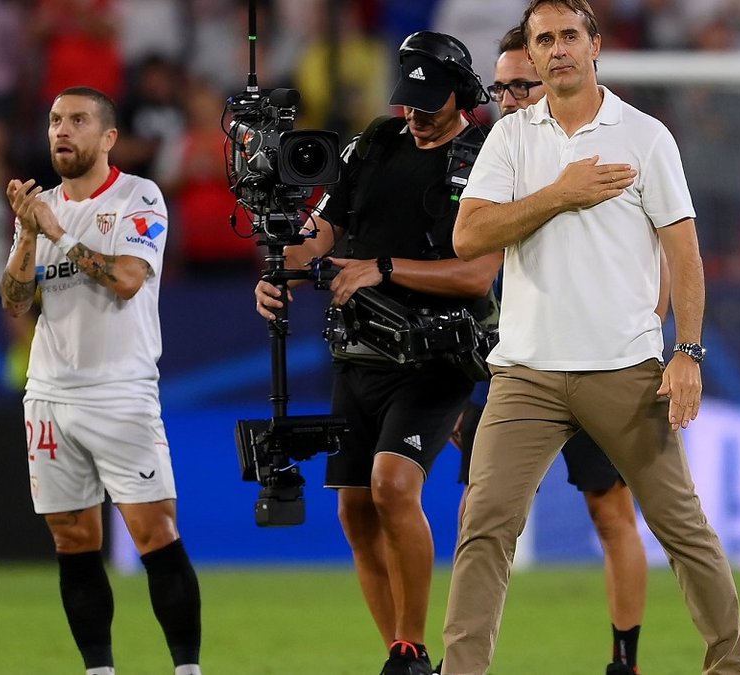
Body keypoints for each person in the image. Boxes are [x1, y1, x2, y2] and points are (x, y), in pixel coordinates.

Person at [440, 1, 740, 674]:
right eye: (543, 39)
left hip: (624, 370)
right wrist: (561, 193)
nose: (557, 49)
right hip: (525, 375)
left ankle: (730, 669)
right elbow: (468, 236)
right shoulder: (510, 138)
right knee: (483, 527)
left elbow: (684, 253)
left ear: (595, 44)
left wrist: (688, 352)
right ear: (531, 52)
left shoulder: (645, 136)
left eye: (568, 36)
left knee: (683, 530)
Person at [253, 31, 503, 675]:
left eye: (429, 103)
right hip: (360, 351)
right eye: (407, 100)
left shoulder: (486, 157)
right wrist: (280, 271)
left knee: (393, 486)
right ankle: (399, 653)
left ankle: (412, 646)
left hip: (437, 357)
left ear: (462, 96)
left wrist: (381, 267)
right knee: (355, 508)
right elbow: (322, 230)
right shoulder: (375, 143)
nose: (414, 114)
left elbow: (478, 276)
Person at [452, 25, 653, 675]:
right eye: (500, 87)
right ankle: (463, 660)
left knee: (610, 509)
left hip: (596, 357)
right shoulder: (489, 158)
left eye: (522, 85)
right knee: (479, 513)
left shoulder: (605, 158)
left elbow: (659, 253)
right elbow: (469, 267)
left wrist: (649, 339)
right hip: (513, 363)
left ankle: (624, 660)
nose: (509, 98)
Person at [0, 86, 202, 675]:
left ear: (109, 137)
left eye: (78, 120)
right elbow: (15, 303)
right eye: (55, 120)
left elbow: (128, 279)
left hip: (120, 391)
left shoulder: (140, 196)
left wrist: (58, 234)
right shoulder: (39, 209)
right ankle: (99, 670)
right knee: (71, 538)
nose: (62, 130)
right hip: (49, 394)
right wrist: (29, 234)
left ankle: (187, 668)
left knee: (154, 531)